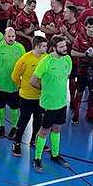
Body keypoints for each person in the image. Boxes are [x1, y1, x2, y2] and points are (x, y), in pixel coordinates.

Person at [30, 35, 72, 173]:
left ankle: (55, 155)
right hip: (48, 104)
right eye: (61, 47)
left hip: (61, 103)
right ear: (53, 48)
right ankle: (37, 158)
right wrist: (45, 89)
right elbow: (33, 80)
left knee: (57, 129)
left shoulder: (67, 59)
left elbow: (66, 76)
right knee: (43, 131)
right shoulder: (46, 61)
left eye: (65, 46)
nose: (65, 49)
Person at [11, 36, 48, 157]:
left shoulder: (45, 57)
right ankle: (16, 143)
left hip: (40, 97)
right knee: (23, 121)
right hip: (26, 97)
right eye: (44, 46)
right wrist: (21, 85)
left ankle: (34, 140)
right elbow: (15, 76)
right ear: (37, 47)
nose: (46, 48)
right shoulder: (25, 59)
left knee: (38, 120)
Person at [0, 27, 24, 139]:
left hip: (14, 85)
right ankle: (1, 126)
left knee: (14, 108)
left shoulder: (20, 48)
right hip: (1, 84)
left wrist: (22, 81)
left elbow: (24, 65)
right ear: (4, 36)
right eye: (9, 36)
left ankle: (14, 127)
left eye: (13, 36)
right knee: (0, 107)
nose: (11, 38)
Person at [70, 18, 93, 125]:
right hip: (82, 70)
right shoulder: (79, 37)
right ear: (85, 27)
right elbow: (73, 52)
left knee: (92, 93)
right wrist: (85, 55)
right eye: (89, 27)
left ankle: (89, 114)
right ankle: (76, 114)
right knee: (79, 92)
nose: (91, 29)